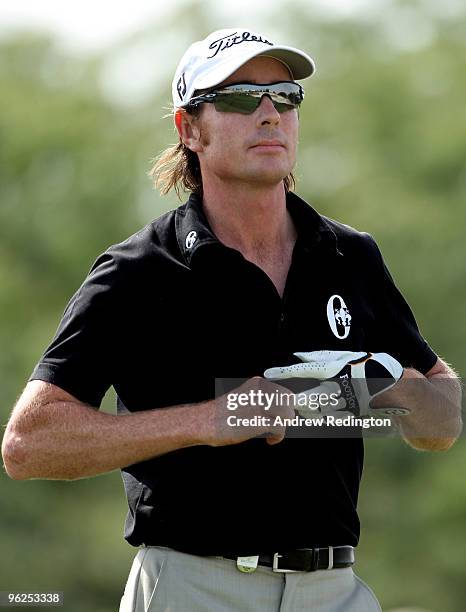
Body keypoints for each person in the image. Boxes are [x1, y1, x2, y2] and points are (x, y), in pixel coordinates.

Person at [2, 27, 462, 612]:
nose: (270, 114)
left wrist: (400, 394)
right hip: (193, 588)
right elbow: (28, 443)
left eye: (285, 97)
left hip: (335, 591)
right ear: (189, 128)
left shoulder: (351, 256)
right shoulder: (139, 272)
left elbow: (443, 421)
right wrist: (208, 420)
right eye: (243, 97)